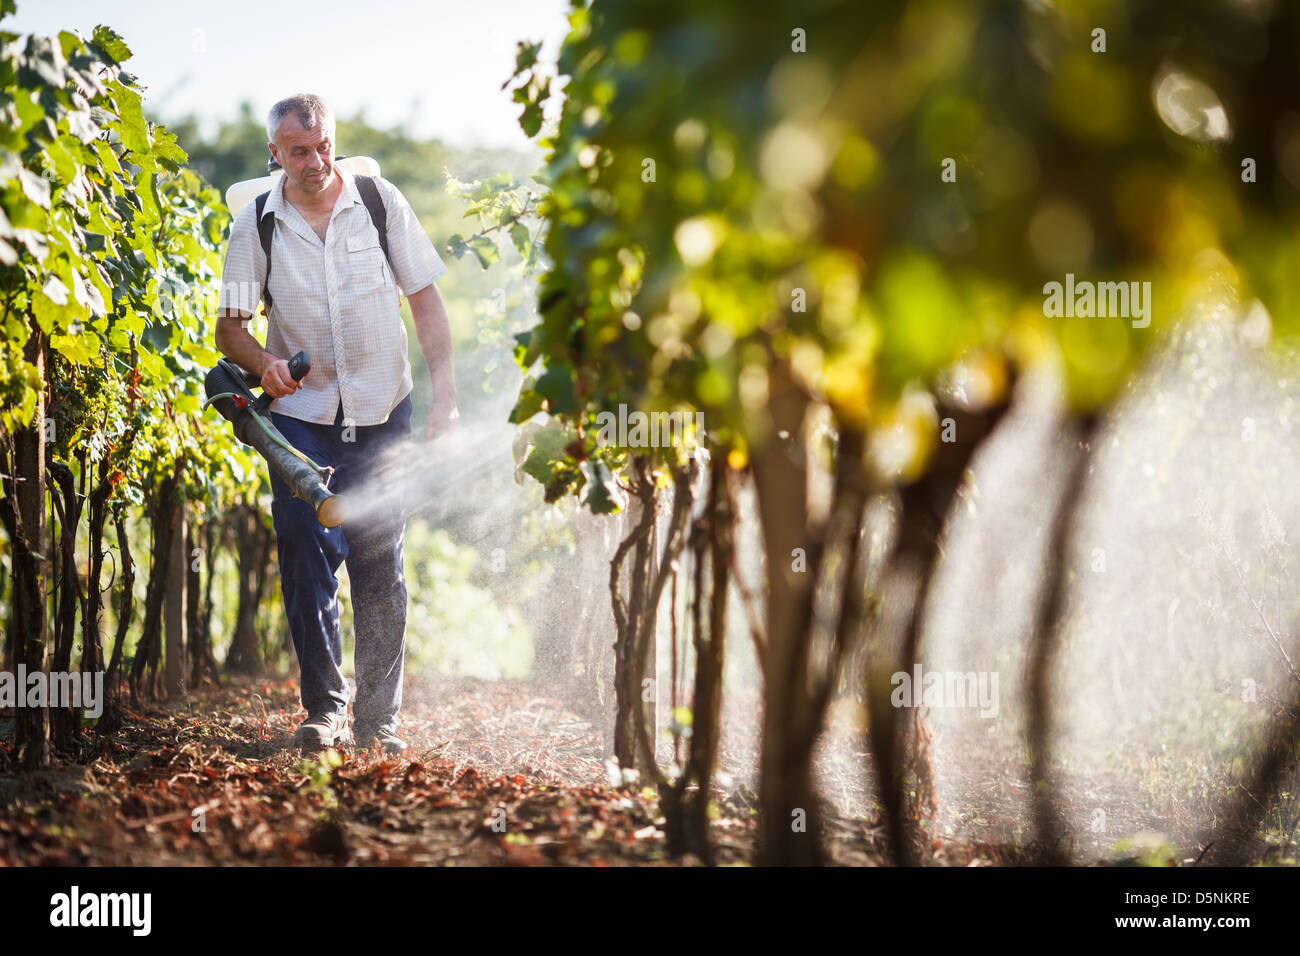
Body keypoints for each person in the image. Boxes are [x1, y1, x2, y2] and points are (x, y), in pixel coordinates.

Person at [215, 93, 460, 754]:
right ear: (276, 153)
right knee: (305, 554)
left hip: (383, 413)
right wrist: (265, 363)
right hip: (302, 420)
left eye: (324, 145)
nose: (318, 160)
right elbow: (229, 328)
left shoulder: (379, 202)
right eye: (300, 151)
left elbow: (426, 301)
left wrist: (445, 399)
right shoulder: (256, 225)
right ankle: (324, 710)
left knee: (382, 564)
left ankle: (379, 723)